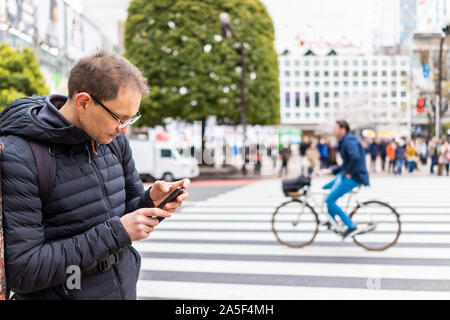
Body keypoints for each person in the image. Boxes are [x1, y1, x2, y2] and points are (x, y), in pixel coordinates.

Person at [0, 51, 190, 300]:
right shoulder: (21, 154)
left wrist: (151, 202)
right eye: (119, 118)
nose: (124, 129)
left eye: (131, 118)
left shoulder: (112, 141)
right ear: (83, 102)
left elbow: (126, 212)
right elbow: (25, 271)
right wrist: (118, 232)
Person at [322, 120, 370, 240]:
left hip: (355, 176)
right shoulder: (345, 140)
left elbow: (355, 157)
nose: (333, 131)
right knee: (325, 188)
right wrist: (333, 171)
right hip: (348, 174)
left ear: (342, 129)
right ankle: (332, 220)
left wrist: (349, 172)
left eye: (335, 128)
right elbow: (347, 163)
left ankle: (351, 226)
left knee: (330, 200)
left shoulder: (348, 140)